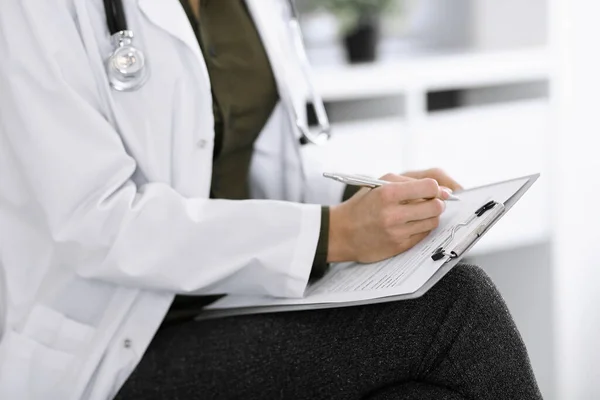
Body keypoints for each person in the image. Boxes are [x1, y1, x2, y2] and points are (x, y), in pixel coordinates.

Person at [0, 0, 543, 399]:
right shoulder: (34, 12)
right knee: (455, 306)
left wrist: (367, 200)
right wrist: (335, 232)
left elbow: (262, 164)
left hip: (241, 302)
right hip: (117, 343)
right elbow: (97, 224)